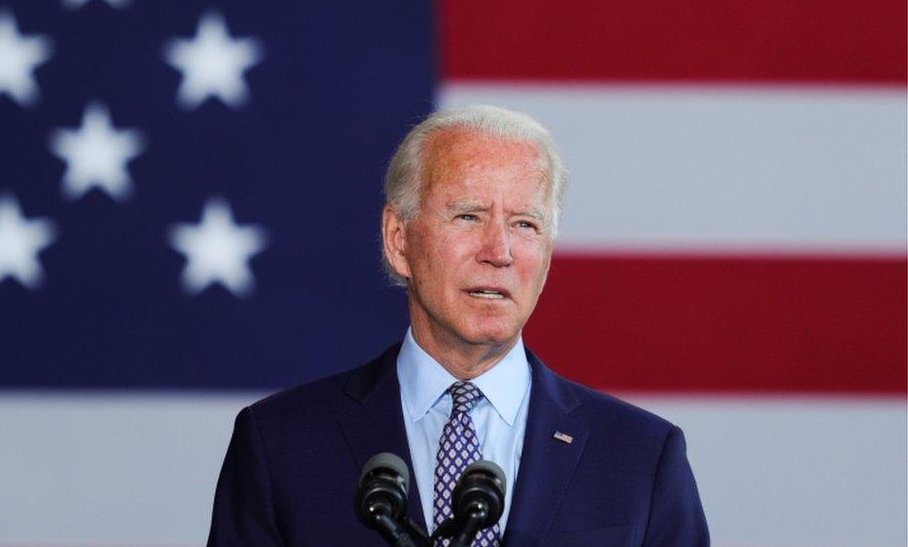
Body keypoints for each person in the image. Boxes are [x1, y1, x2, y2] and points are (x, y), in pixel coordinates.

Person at [207, 105, 709, 546]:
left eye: (525, 225)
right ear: (399, 240)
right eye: (468, 217)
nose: (499, 252)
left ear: (548, 257)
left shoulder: (642, 459)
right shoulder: (281, 446)